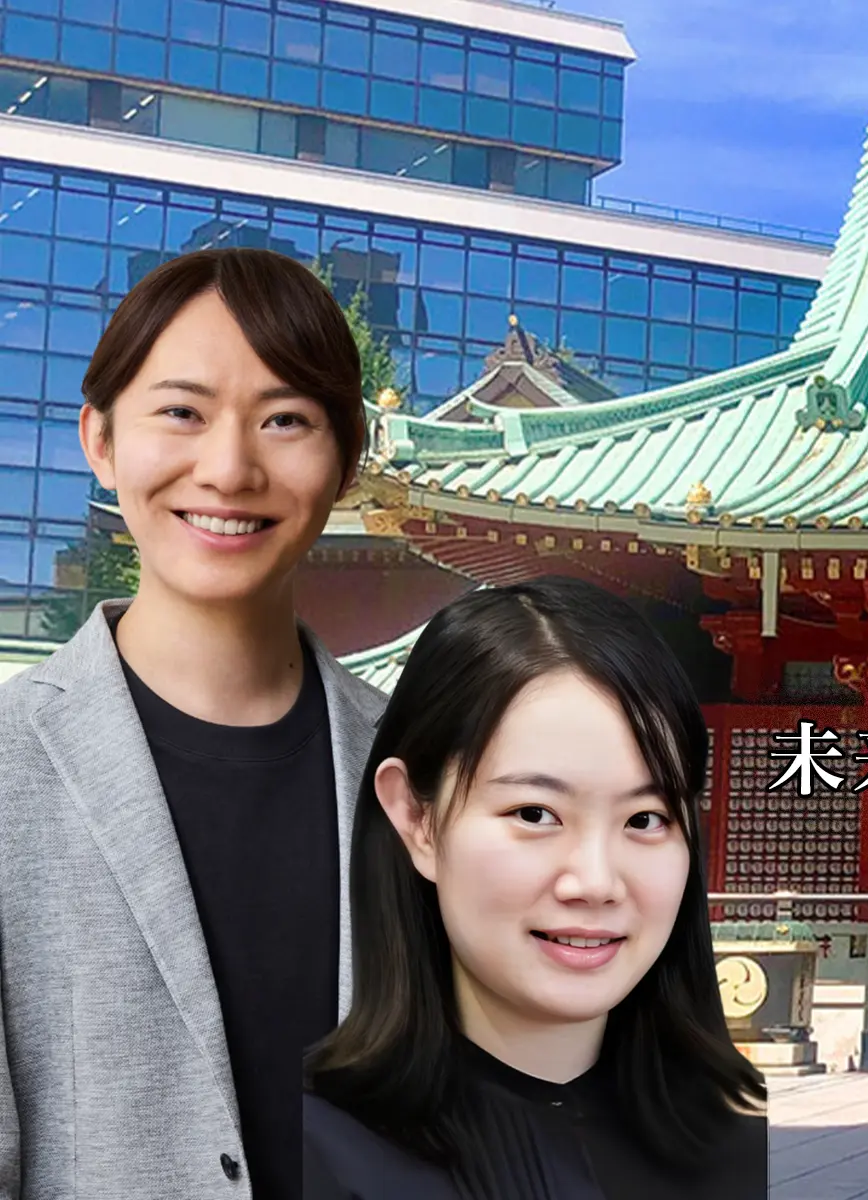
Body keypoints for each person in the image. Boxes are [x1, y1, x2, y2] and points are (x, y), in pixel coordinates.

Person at [0, 247, 389, 1199]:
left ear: (347, 459)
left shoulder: (421, 763)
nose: (229, 469)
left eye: (286, 419)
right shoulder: (9, 762)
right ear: (100, 439)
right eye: (181, 412)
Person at [302, 577, 766, 1198]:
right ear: (416, 819)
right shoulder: (304, 1151)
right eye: (534, 814)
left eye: (644, 820)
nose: (596, 882)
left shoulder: (745, 1153)